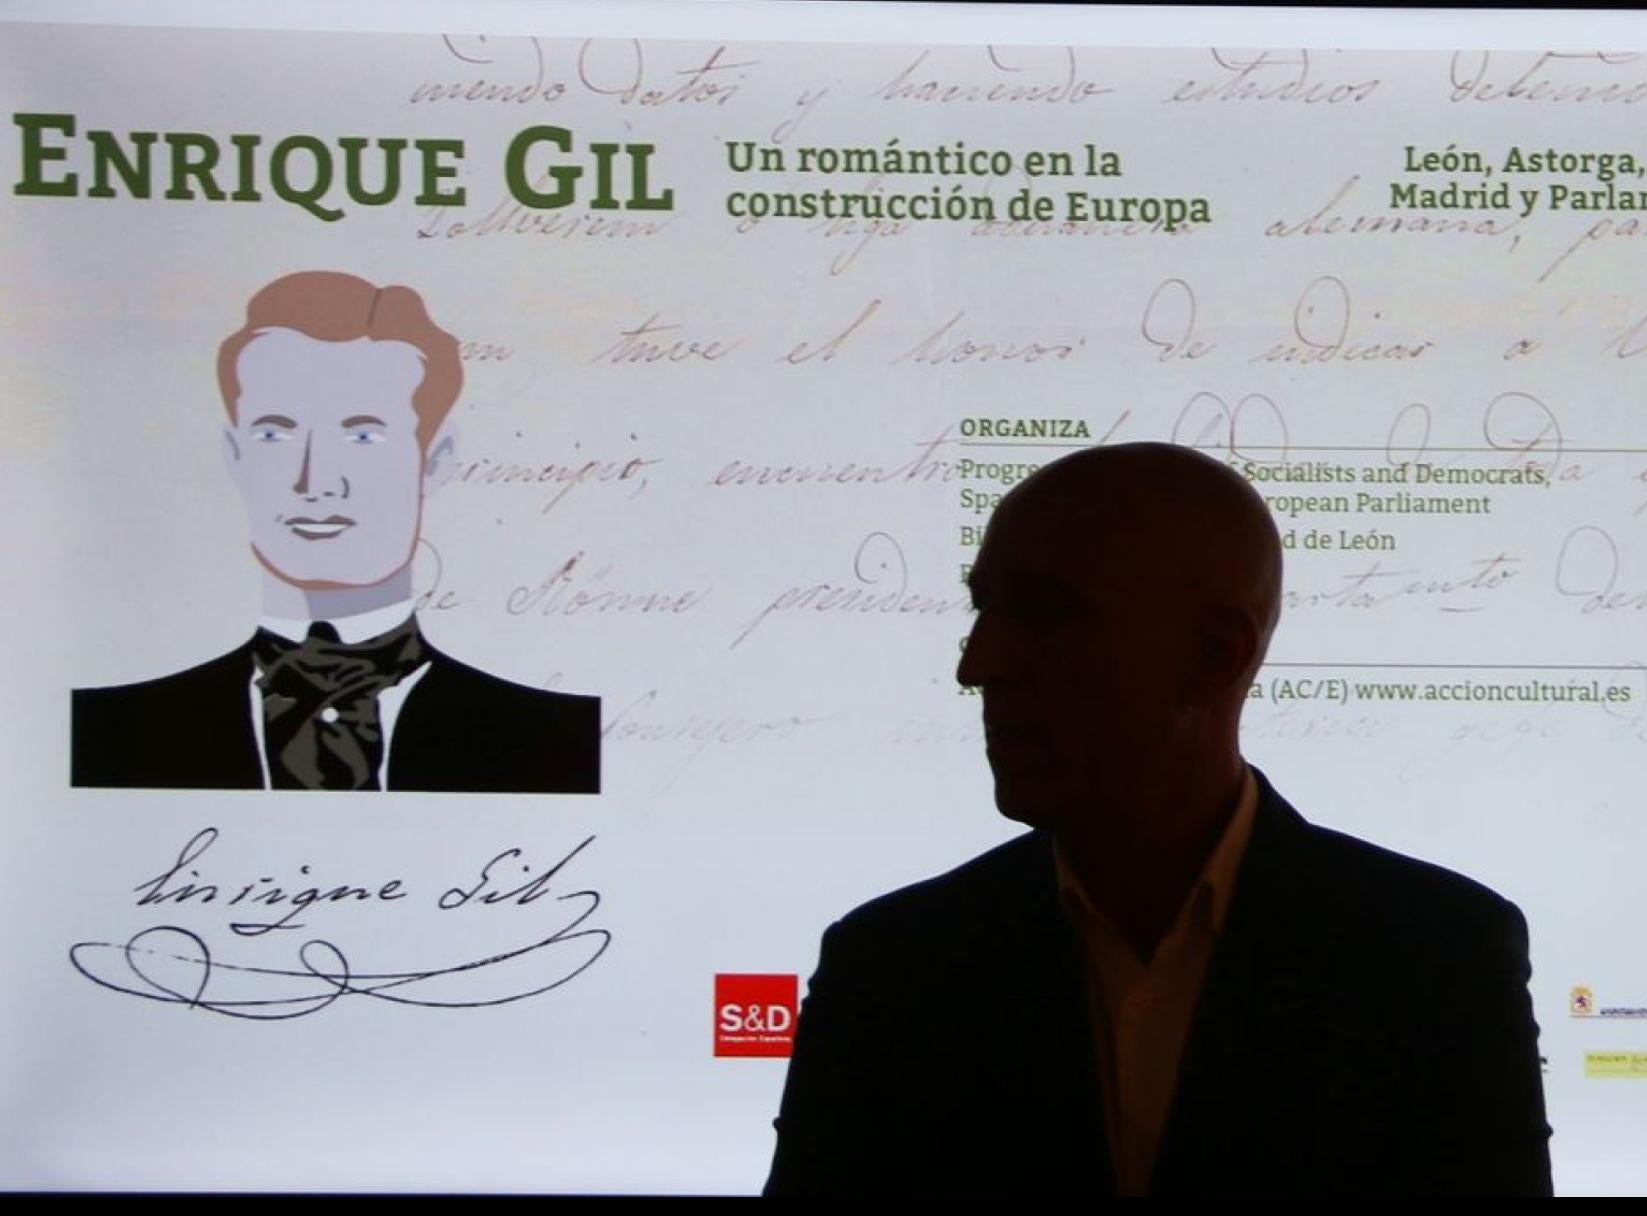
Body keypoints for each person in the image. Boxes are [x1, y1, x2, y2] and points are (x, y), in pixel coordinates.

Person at [765, 443, 1550, 1196]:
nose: (978, 664)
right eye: (983, 609)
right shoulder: (889, 971)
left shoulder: (1437, 960)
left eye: (1044, 613)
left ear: (1214, 656)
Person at [71, 270, 599, 794]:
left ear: (435, 460)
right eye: (274, 433)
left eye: (363, 436)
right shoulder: (110, 732)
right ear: (235, 455)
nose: (314, 480)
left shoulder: (557, 740)